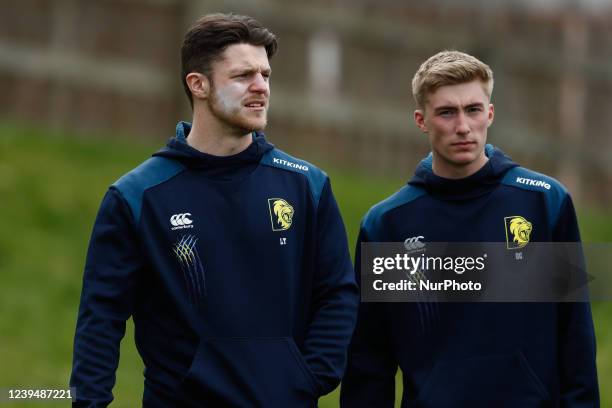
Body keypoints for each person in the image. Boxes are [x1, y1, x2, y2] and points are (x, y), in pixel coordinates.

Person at [70, 13, 358, 407]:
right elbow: (100, 320)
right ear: (198, 84)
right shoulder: (137, 197)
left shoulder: (306, 185)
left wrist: (308, 377)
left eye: (266, 75)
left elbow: (337, 294)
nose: (261, 88)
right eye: (243, 76)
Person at [340, 50, 599, 407]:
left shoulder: (544, 204)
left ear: (489, 114)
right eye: (447, 112)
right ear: (421, 120)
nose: (463, 126)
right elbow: (370, 359)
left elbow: (576, 336)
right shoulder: (389, 225)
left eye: (473, 110)